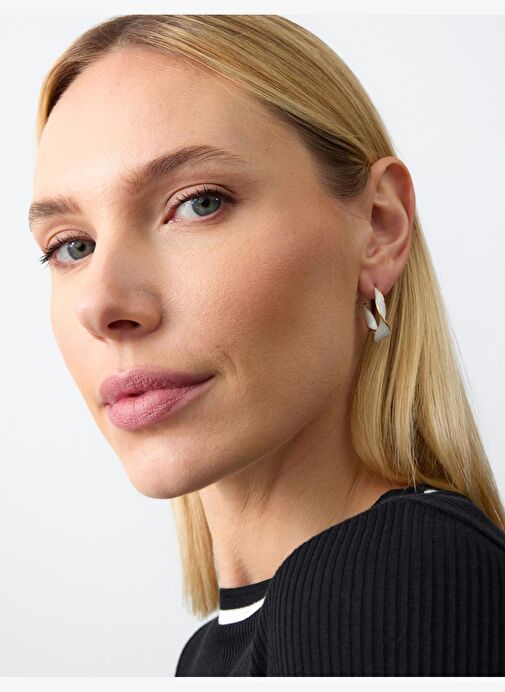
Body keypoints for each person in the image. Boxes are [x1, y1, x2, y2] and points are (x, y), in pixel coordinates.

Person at [29, 14, 505, 676]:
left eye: (199, 204)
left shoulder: (393, 577)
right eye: (71, 246)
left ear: (379, 226)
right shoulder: (209, 654)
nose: (103, 305)